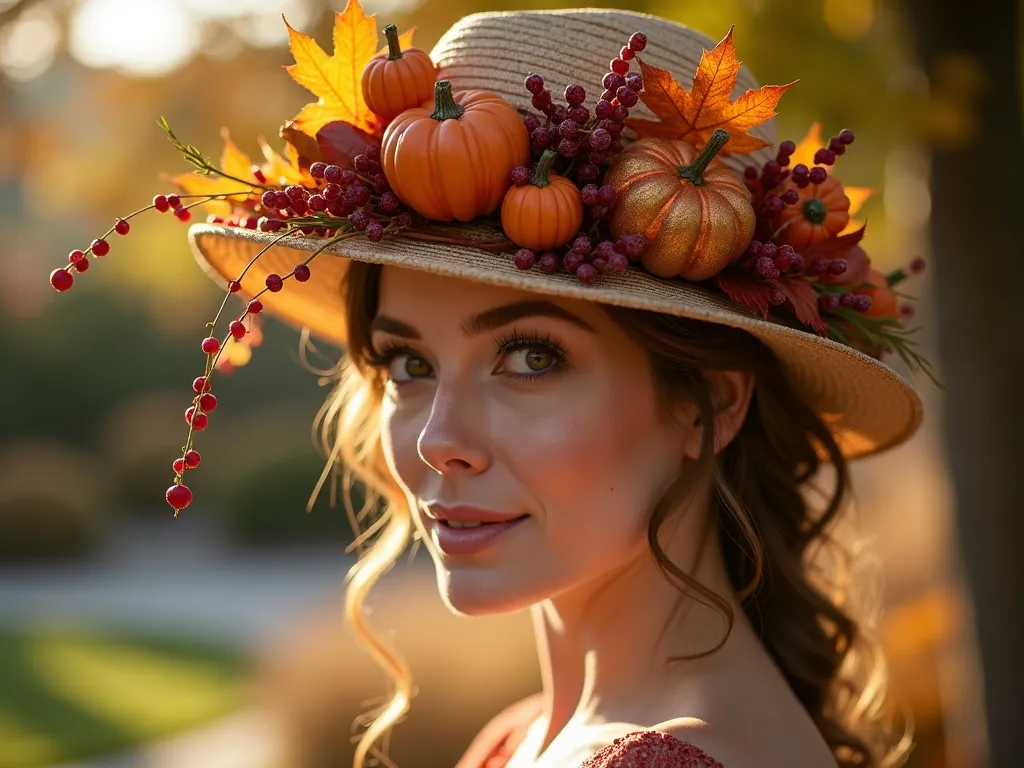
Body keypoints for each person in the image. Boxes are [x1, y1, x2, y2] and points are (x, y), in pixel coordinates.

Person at [51, 5, 930, 767]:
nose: (438, 439)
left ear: (712, 404)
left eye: (532, 358)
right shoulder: (542, 734)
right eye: (408, 365)